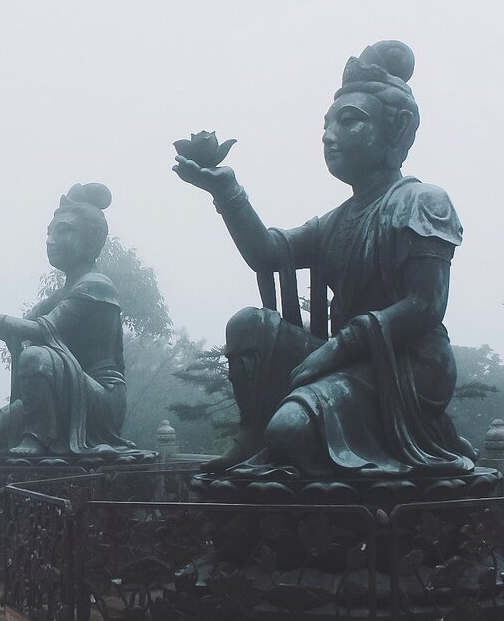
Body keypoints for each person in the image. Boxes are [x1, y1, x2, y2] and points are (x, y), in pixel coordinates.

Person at [173, 40, 475, 477]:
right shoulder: (334, 221)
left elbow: (426, 306)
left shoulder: (423, 202)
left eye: (348, 121)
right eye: (326, 124)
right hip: (347, 360)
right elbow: (266, 254)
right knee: (248, 323)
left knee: (293, 429)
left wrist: (337, 348)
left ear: (398, 128)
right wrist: (226, 192)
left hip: (407, 368)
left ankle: (343, 505)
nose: (329, 135)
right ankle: (251, 433)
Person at [0, 183, 132, 456]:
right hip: (68, 391)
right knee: (0, 432)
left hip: (101, 398)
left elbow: (42, 331)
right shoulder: (63, 292)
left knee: (36, 357)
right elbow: (20, 330)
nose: (50, 240)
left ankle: (39, 439)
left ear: (92, 241)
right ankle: (35, 438)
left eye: (64, 231)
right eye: (49, 233)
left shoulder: (96, 285)